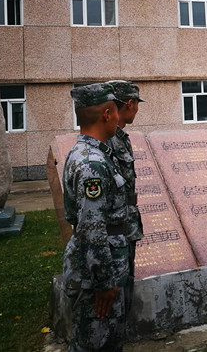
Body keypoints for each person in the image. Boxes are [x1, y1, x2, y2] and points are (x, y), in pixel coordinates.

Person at [62, 82, 130, 351]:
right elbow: (93, 227)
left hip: (100, 270)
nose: (117, 118)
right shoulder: (92, 163)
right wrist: (104, 282)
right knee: (96, 343)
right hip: (97, 278)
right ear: (106, 114)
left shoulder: (89, 153)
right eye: (115, 111)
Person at [105, 80, 144, 313]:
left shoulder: (120, 137)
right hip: (115, 228)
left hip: (126, 224)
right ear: (130, 103)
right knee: (116, 285)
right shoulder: (109, 139)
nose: (137, 109)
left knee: (126, 279)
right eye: (137, 104)